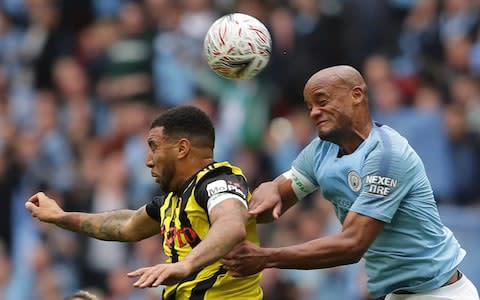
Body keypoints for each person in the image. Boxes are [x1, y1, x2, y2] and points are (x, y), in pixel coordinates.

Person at [221, 65, 480, 300]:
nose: (313, 112)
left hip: (441, 294)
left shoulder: (387, 155)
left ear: (356, 95)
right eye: (309, 106)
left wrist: (266, 258)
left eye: (322, 101)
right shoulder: (320, 150)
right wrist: (265, 190)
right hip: (397, 295)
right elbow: (272, 204)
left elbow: (352, 244)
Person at [25, 106, 263, 299]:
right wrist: (60, 216)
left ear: (182, 148)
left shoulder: (218, 182)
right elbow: (126, 224)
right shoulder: (173, 201)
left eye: (153, 147)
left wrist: (185, 265)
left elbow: (231, 225)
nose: (148, 161)